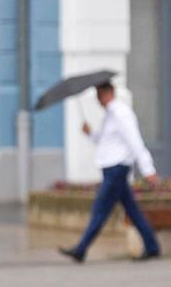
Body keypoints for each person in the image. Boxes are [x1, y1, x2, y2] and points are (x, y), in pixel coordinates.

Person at [59, 82, 160, 263]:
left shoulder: (121, 113)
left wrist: (148, 169)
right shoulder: (111, 115)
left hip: (117, 169)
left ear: (109, 92)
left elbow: (135, 141)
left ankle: (81, 249)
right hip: (111, 169)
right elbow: (108, 142)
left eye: (100, 94)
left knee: (100, 209)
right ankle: (152, 246)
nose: (98, 99)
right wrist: (90, 134)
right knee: (132, 210)